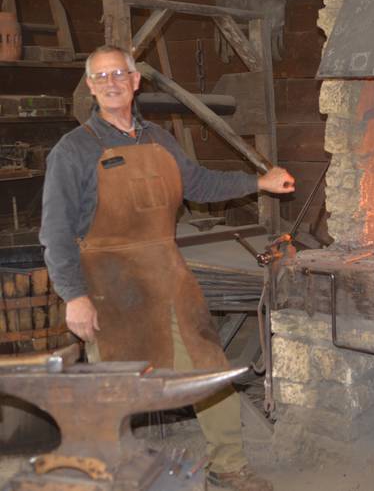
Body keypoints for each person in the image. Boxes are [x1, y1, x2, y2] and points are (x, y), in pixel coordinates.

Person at [39, 44, 293, 491]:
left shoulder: (159, 138)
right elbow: (55, 233)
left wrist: (259, 182)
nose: (111, 82)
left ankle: (229, 466)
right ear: (91, 88)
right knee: (116, 386)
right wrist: (73, 296)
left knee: (207, 368)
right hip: (109, 281)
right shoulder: (73, 150)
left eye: (119, 73)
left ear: (136, 81)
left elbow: (200, 182)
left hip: (169, 273)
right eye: (100, 77)